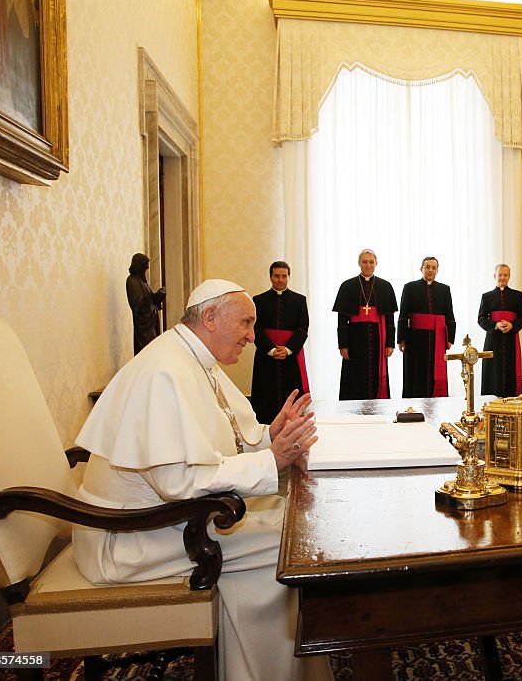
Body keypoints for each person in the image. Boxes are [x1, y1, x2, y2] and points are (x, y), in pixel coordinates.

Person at [72, 279, 334, 681]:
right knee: (286, 545)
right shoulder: (164, 371)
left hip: (163, 519)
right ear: (210, 317)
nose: (252, 335)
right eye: (246, 323)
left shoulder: (195, 360)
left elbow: (222, 441)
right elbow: (177, 481)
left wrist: (269, 436)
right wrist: (272, 460)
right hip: (125, 538)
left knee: (287, 523)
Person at [332, 249, 397, 400]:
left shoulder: (385, 286)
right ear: (359, 263)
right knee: (354, 376)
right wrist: (343, 345)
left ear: (376, 264)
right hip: (355, 339)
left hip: (378, 339)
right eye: (364, 262)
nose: (368, 265)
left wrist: (390, 344)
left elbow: (389, 319)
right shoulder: (347, 286)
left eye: (371, 262)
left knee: (376, 375)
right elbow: (342, 320)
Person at [251, 261, 310, 423]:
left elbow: (303, 328)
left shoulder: (299, 301)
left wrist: (288, 349)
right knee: (265, 393)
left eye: (284, 276)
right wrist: (270, 349)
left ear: (288, 277)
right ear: (270, 277)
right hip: (266, 355)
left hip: (291, 355)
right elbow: (256, 328)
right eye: (276, 276)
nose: (280, 280)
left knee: (291, 393)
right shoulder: (258, 300)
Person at [398, 256, 456, 397]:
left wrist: (450, 339)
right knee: (416, 373)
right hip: (415, 340)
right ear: (421, 269)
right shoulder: (410, 287)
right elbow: (403, 315)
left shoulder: (444, 289)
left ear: (437, 270)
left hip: (438, 338)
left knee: (435, 372)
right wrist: (401, 339)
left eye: (433, 267)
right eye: (427, 267)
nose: (430, 270)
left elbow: (450, 316)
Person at [478, 264, 522, 397]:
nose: (502, 278)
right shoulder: (486, 296)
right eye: (500, 275)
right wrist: (495, 325)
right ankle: (491, 404)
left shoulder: (517, 295)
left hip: (511, 338)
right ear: (495, 276)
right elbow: (481, 318)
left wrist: (512, 325)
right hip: (493, 340)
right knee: (492, 371)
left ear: (509, 277)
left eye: (505, 275)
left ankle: (510, 403)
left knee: (510, 370)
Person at [126, 253, 165, 354]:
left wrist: (158, 296)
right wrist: (152, 299)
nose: (146, 270)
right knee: (147, 352)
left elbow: (150, 299)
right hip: (144, 327)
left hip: (151, 322)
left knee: (154, 351)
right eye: (144, 268)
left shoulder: (143, 282)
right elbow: (137, 304)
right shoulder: (132, 281)